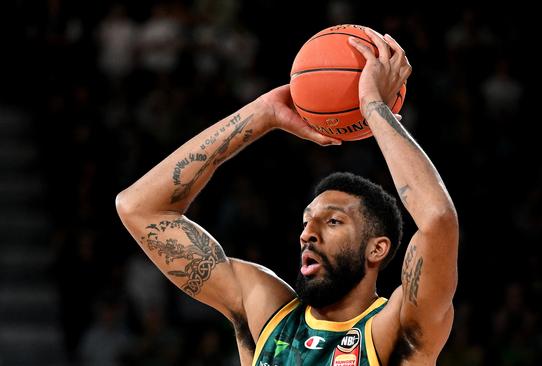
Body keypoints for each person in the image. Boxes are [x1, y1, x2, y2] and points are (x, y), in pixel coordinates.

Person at [116, 27, 458, 365]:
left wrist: (372, 106)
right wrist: (261, 113)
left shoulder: (394, 329)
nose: (308, 233)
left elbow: (437, 220)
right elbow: (139, 208)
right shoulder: (267, 314)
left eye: (333, 221)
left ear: (377, 248)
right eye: (307, 221)